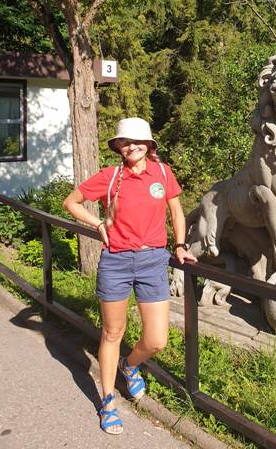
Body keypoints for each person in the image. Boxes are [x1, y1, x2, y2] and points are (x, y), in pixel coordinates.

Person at [63, 117, 196, 434]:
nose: (132, 146)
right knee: (112, 333)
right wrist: (97, 224)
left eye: (138, 141)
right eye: (125, 142)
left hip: (153, 260)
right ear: (118, 146)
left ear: (149, 144)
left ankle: (130, 364)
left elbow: (176, 211)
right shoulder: (110, 177)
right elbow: (71, 202)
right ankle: (108, 402)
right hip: (117, 262)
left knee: (157, 340)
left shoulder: (162, 173)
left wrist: (179, 246)